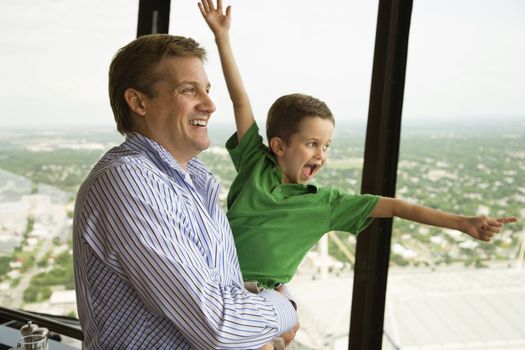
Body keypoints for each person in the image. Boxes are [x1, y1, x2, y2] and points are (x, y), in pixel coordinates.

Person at [199, 0, 518, 293]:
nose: (321, 155)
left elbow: (395, 206)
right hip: (214, 279)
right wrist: (222, 39)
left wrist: (462, 223)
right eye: (312, 144)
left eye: (326, 146)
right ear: (279, 146)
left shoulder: (327, 204)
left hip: (260, 296)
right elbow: (240, 101)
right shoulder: (255, 163)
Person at [72, 33, 298, 349]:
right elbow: (221, 327)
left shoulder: (195, 179)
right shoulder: (129, 181)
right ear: (138, 102)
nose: (209, 104)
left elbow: (212, 289)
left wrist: (258, 301)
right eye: (188, 90)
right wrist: (283, 308)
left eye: (206, 90)